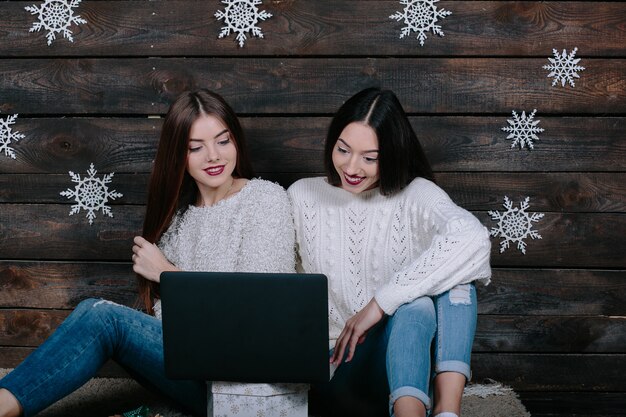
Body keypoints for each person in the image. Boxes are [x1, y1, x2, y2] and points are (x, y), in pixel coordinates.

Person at [0, 89, 295, 417]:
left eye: (223, 141)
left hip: (250, 379)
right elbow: (174, 333)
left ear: (236, 141)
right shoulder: (177, 223)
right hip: (196, 372)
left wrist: (168, 274)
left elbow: (262, 312)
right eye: (195, 148)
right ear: (177, 156)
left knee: (102, 315)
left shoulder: (265, 199)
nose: (213, 156)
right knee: (100, 315)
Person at [287, 87, 491, 417]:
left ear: (393, 153)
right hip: (330, 366)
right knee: (419, 302)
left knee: (445, 289)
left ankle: (445, 412)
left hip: (396, 367)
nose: (352, 167)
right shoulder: (302, 195)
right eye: (343, 150)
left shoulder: (416, 194)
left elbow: (472, 238)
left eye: (370, 158)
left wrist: (381, 302)